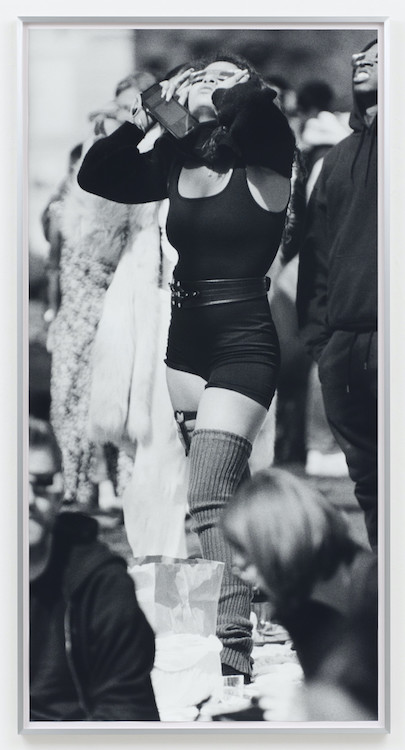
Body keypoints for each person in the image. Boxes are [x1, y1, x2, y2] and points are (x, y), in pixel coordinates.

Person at [77, 52, 296, 681]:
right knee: (210, 491)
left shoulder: (267, 153)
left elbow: (254, 112)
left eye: (224, 77)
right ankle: (256, 602)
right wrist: (146, 110)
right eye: (200, 75)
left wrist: (214, 91)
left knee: (208, 495)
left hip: (244, 340)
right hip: (183, 339)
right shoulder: (178, 159)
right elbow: (98, 174)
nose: (208, 84)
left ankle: (233, 653)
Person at [44, 71, 158, 509]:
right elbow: (57, 246)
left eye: (136, 107)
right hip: (79, 306)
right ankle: (79, 488)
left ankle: (127, 492)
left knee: (125, 403)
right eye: (123, 107)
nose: (127, 115)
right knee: (70, 399)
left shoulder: (154, 164)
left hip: (128, 301)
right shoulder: (89, 160)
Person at [296, 40, 378, 550]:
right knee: (371, 488)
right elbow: (317, 255)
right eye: (360, 57)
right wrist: (323, 345)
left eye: (380, 55)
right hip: (344, 349)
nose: (362, 60)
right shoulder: (338, 158)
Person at [28, 416, 160, 721]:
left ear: (59, 491)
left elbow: (127, 716)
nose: (28, 499)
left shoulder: (102, 586)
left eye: (41, 482)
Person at [220, 467, 378, 719]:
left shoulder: (379, 595)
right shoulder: (301, 611)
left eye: (246, 552)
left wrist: (317, 710)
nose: (237, 566)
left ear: (282, 544)